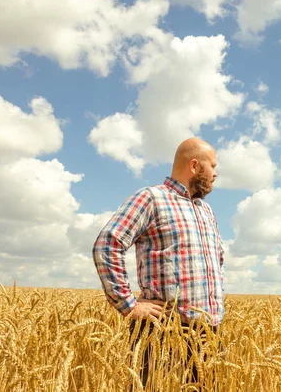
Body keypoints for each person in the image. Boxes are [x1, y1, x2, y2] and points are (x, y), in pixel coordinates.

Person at [92, 137, 225, 388]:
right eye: (213, 166)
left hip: (208, 335)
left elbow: (218, 259)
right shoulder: (151, 198)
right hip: (163, 333)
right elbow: (108, 244)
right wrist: (128, 305)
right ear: (195, 166)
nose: (216, 173)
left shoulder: (205, 210)